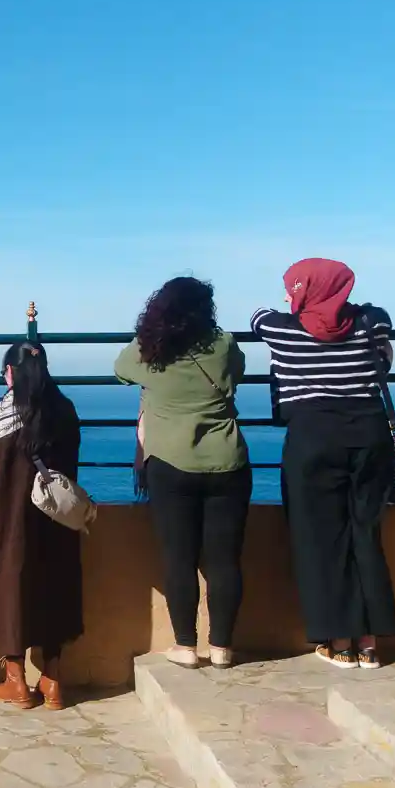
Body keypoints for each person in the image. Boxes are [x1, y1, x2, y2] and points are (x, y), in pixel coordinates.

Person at [251, 258, 395, 670]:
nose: (287, 295)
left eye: (293, 288)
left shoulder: (281, 330)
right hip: (369, 435)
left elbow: (257, 317)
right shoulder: (372, 323)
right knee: (365, 533)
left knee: (321, 540)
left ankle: (338, 641)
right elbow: (382, 347)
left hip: (313, 437)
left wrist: (293, 305)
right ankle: (370, 643)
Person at [116, 277, 251, 670]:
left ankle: (186, 646)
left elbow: (120, 370)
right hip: (227, 461)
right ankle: (222, 647)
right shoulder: (223, 344)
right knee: (225, 560)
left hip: (170, 462)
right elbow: (237, 372)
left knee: (179, 558)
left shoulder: (149, 347)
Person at [0, 344, 84, 710]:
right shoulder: (65, 411)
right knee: (56, 585)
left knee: (10, 586)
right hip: (58, 518)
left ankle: (16, 681)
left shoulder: (1, 415)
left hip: (13, 520)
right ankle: (52, 681)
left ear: (10, 372)